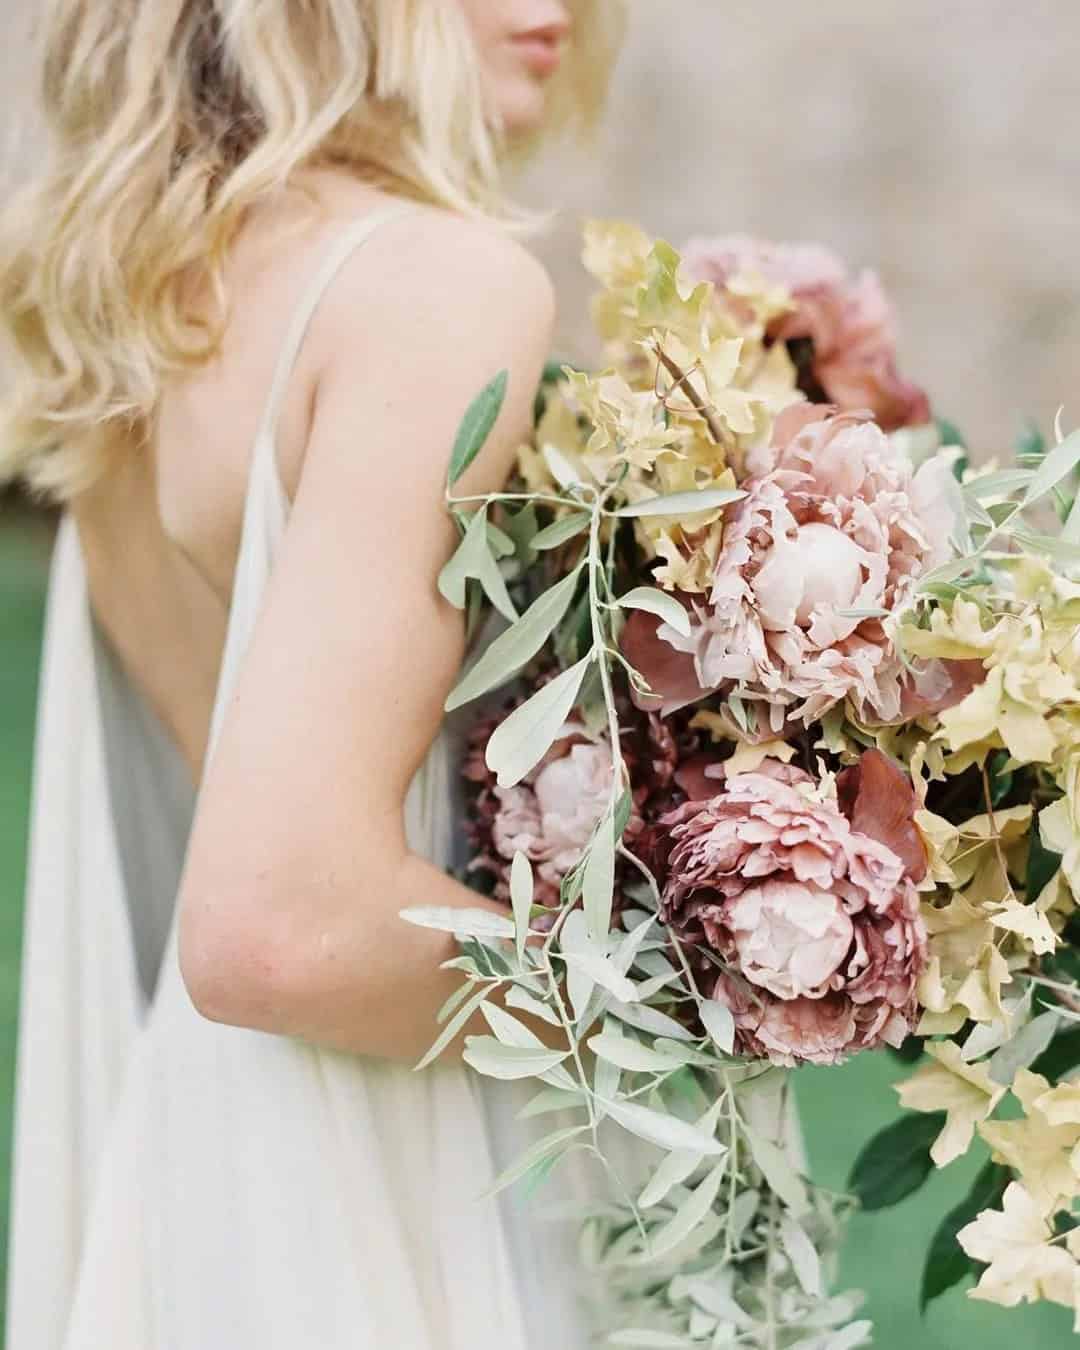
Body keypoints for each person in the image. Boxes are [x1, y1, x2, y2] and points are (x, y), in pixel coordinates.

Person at [0, 3, 625, 1346]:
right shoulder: (436, 290)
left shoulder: (152, 284)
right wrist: (682, 978)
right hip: (375, 1187)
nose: (557, 10)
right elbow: (280, 919)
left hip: (200, 1169)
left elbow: (230, 793)